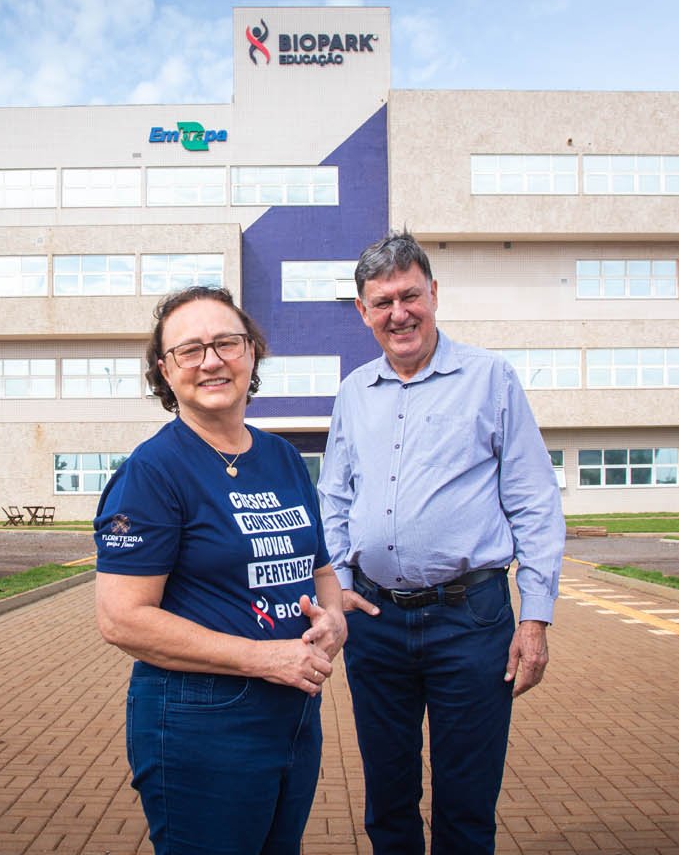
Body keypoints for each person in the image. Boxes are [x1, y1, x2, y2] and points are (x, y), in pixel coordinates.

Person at [318, 231, 566, 855]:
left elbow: (535, 501)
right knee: (388, 800)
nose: (398, 313)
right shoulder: (352, 393)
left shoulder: (491, 378)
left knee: (466, 803)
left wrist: (534, 618)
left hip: (472, 620)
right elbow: (335, 499)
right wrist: (341, 589)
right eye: (382, 302)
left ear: (434, 293)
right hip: (375, 625)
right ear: (363, 312)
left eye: (409, 296)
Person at [94, 285, 347, 855]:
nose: (211, 361)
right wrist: (265, 657)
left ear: (251, 352)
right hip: (200, 722)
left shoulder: (281, 457)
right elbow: (121, 619)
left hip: (294, 713)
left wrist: (334, 620)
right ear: (165, 371)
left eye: (226, 343)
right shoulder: (153, 472)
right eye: (190, 350)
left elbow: (322, 567)